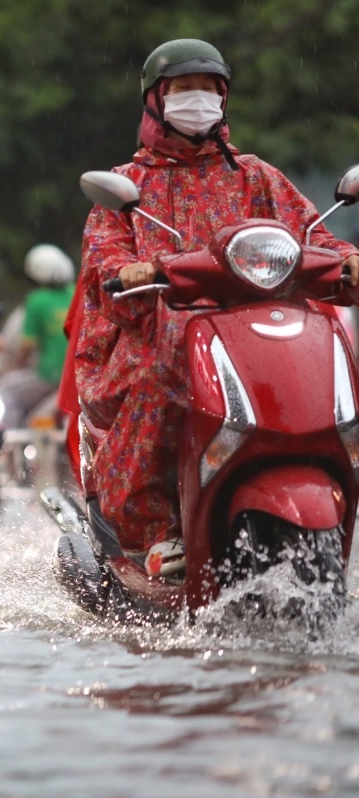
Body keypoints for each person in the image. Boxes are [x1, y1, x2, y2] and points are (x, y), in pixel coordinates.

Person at [75, 38, 359, 577]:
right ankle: (154, 529)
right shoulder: (128, 186)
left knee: (322, 364)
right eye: (184, 89)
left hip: (252, 331)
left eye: (209, 89)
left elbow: (311, 233)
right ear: (156, 100)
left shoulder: (255, 176)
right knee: (161, 373)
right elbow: (104, 258)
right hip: (157, 333)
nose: (198, 100)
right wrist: (129, 271)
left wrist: (348, 258)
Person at [0, 244, 75, 428]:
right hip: (77, 375)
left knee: (4, 389)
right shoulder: (75, 293)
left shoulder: (36, 300)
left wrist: (15, 367)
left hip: (50, 375)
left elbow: (27, 346)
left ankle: (9, 436)